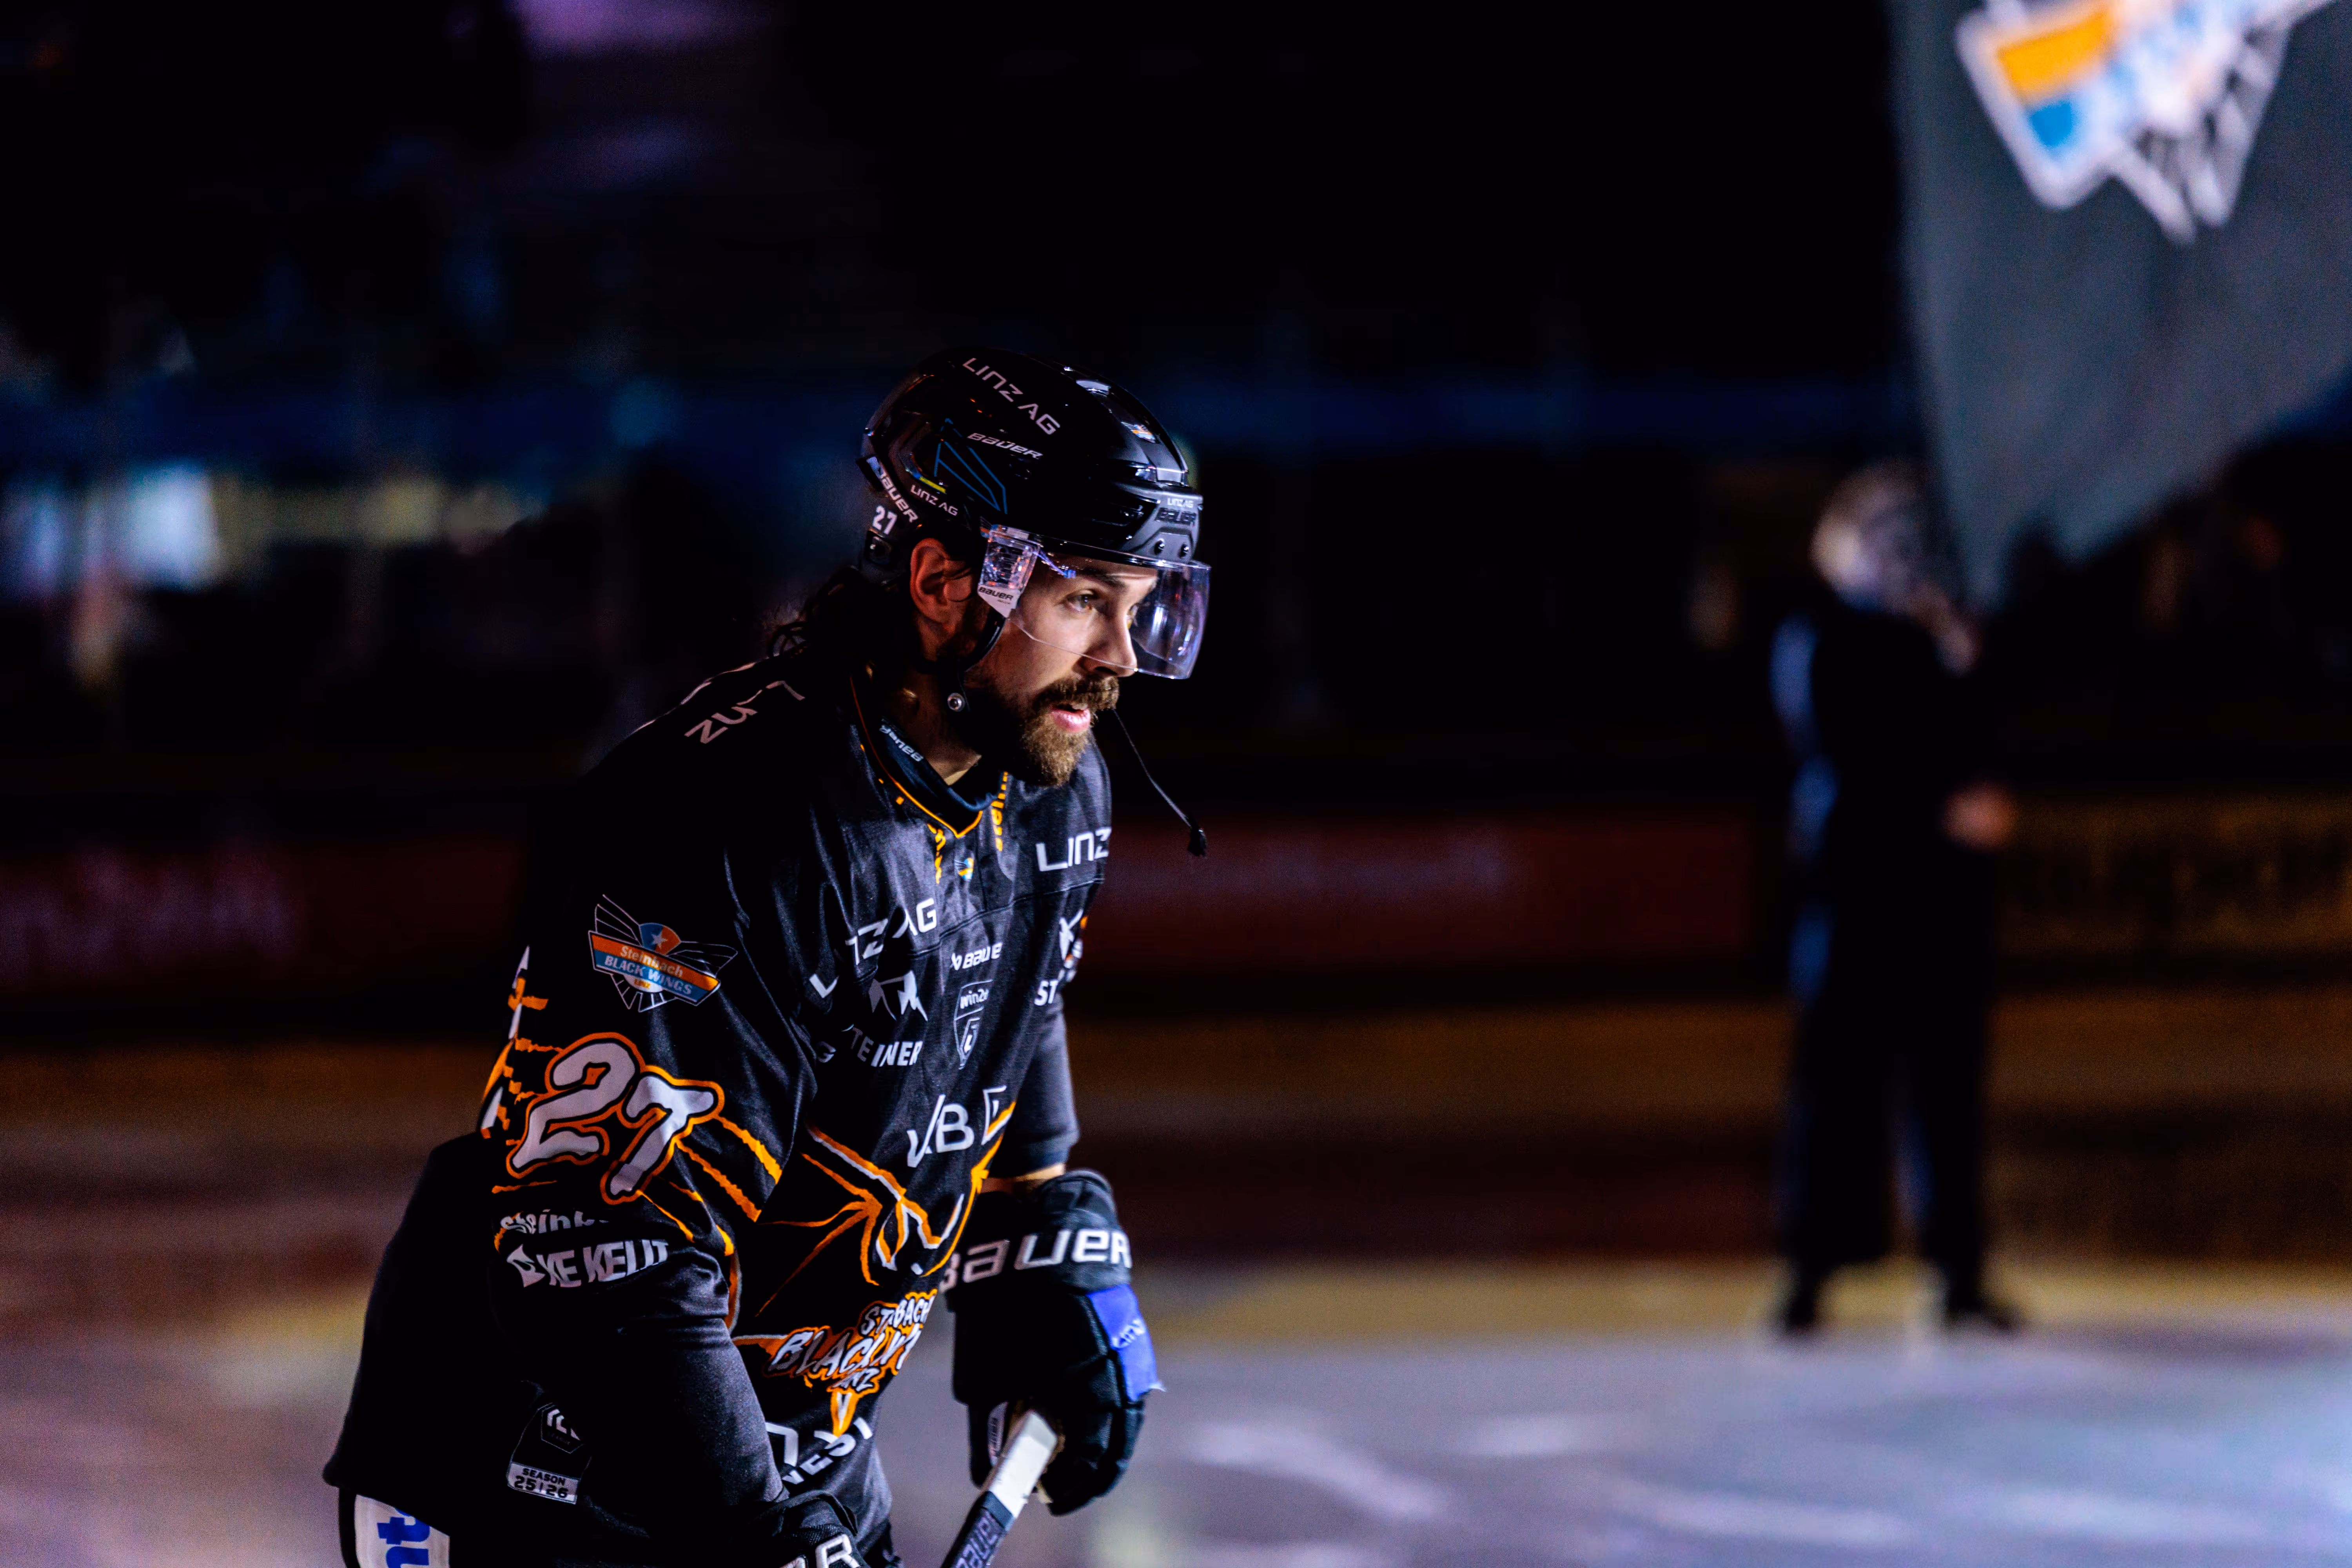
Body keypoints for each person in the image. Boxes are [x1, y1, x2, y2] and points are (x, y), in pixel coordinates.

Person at [323, 348, 1207, 1567]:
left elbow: (1008, 999)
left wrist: (1039, 1225)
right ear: (947, 583)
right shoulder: (728, 822)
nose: (1121, 656)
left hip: (782, 1465)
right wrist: (754, 1535)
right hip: (531, 1479)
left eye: (1142, 604)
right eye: (1083, 602)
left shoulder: (1050, 779)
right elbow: (597, 1253)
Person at [1767, 462, 2018, 1336]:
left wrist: (1963, 662)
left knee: (1946, 1089)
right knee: (1835, 1093)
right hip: (1855, 898)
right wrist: (1941, 804)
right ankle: (1810, 1269)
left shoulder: (1946, 636)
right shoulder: (1822, 635)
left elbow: (1986, 742)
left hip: (1938, 908)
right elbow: (1849, 750)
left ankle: (1959, 1269)